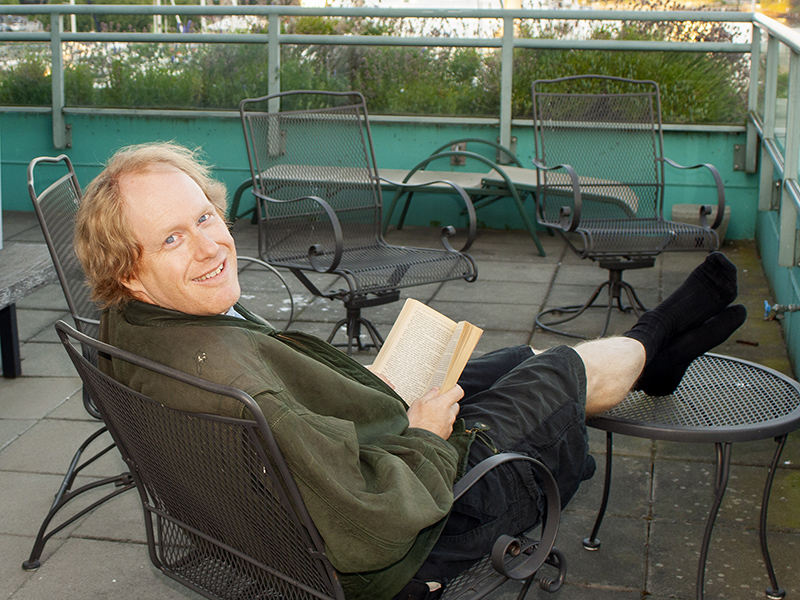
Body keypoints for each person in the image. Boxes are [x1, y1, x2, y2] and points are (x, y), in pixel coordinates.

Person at [74, 142, 746, 600]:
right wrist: (424, 435)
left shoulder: (134, 329)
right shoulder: (243, 391)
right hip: (416, 535)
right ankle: (651, 338)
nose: (210, 245)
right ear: (128, 271)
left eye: (204, 216)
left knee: (513, 361)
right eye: (171, 238)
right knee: (559, 369)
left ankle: (648, 366)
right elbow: (368, 519)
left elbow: (300, 443)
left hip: (320, 487)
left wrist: (384, 404)